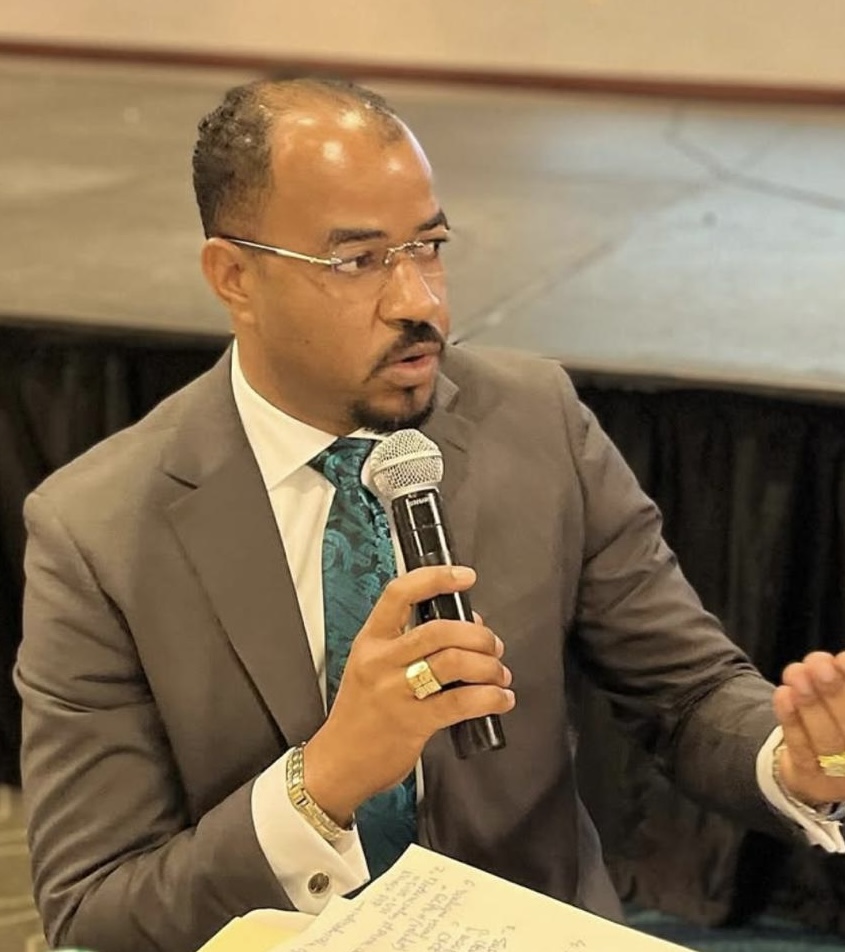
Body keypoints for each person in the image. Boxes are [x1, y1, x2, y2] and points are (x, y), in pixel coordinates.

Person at [15, 77, 845, 952]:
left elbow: (687, 694)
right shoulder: (97, 531)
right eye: (359, 260)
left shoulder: (537, 422)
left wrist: (789, 759)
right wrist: (323, 780)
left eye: (430, 245)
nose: (421, 302)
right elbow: (94, 911)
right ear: (235, 277)